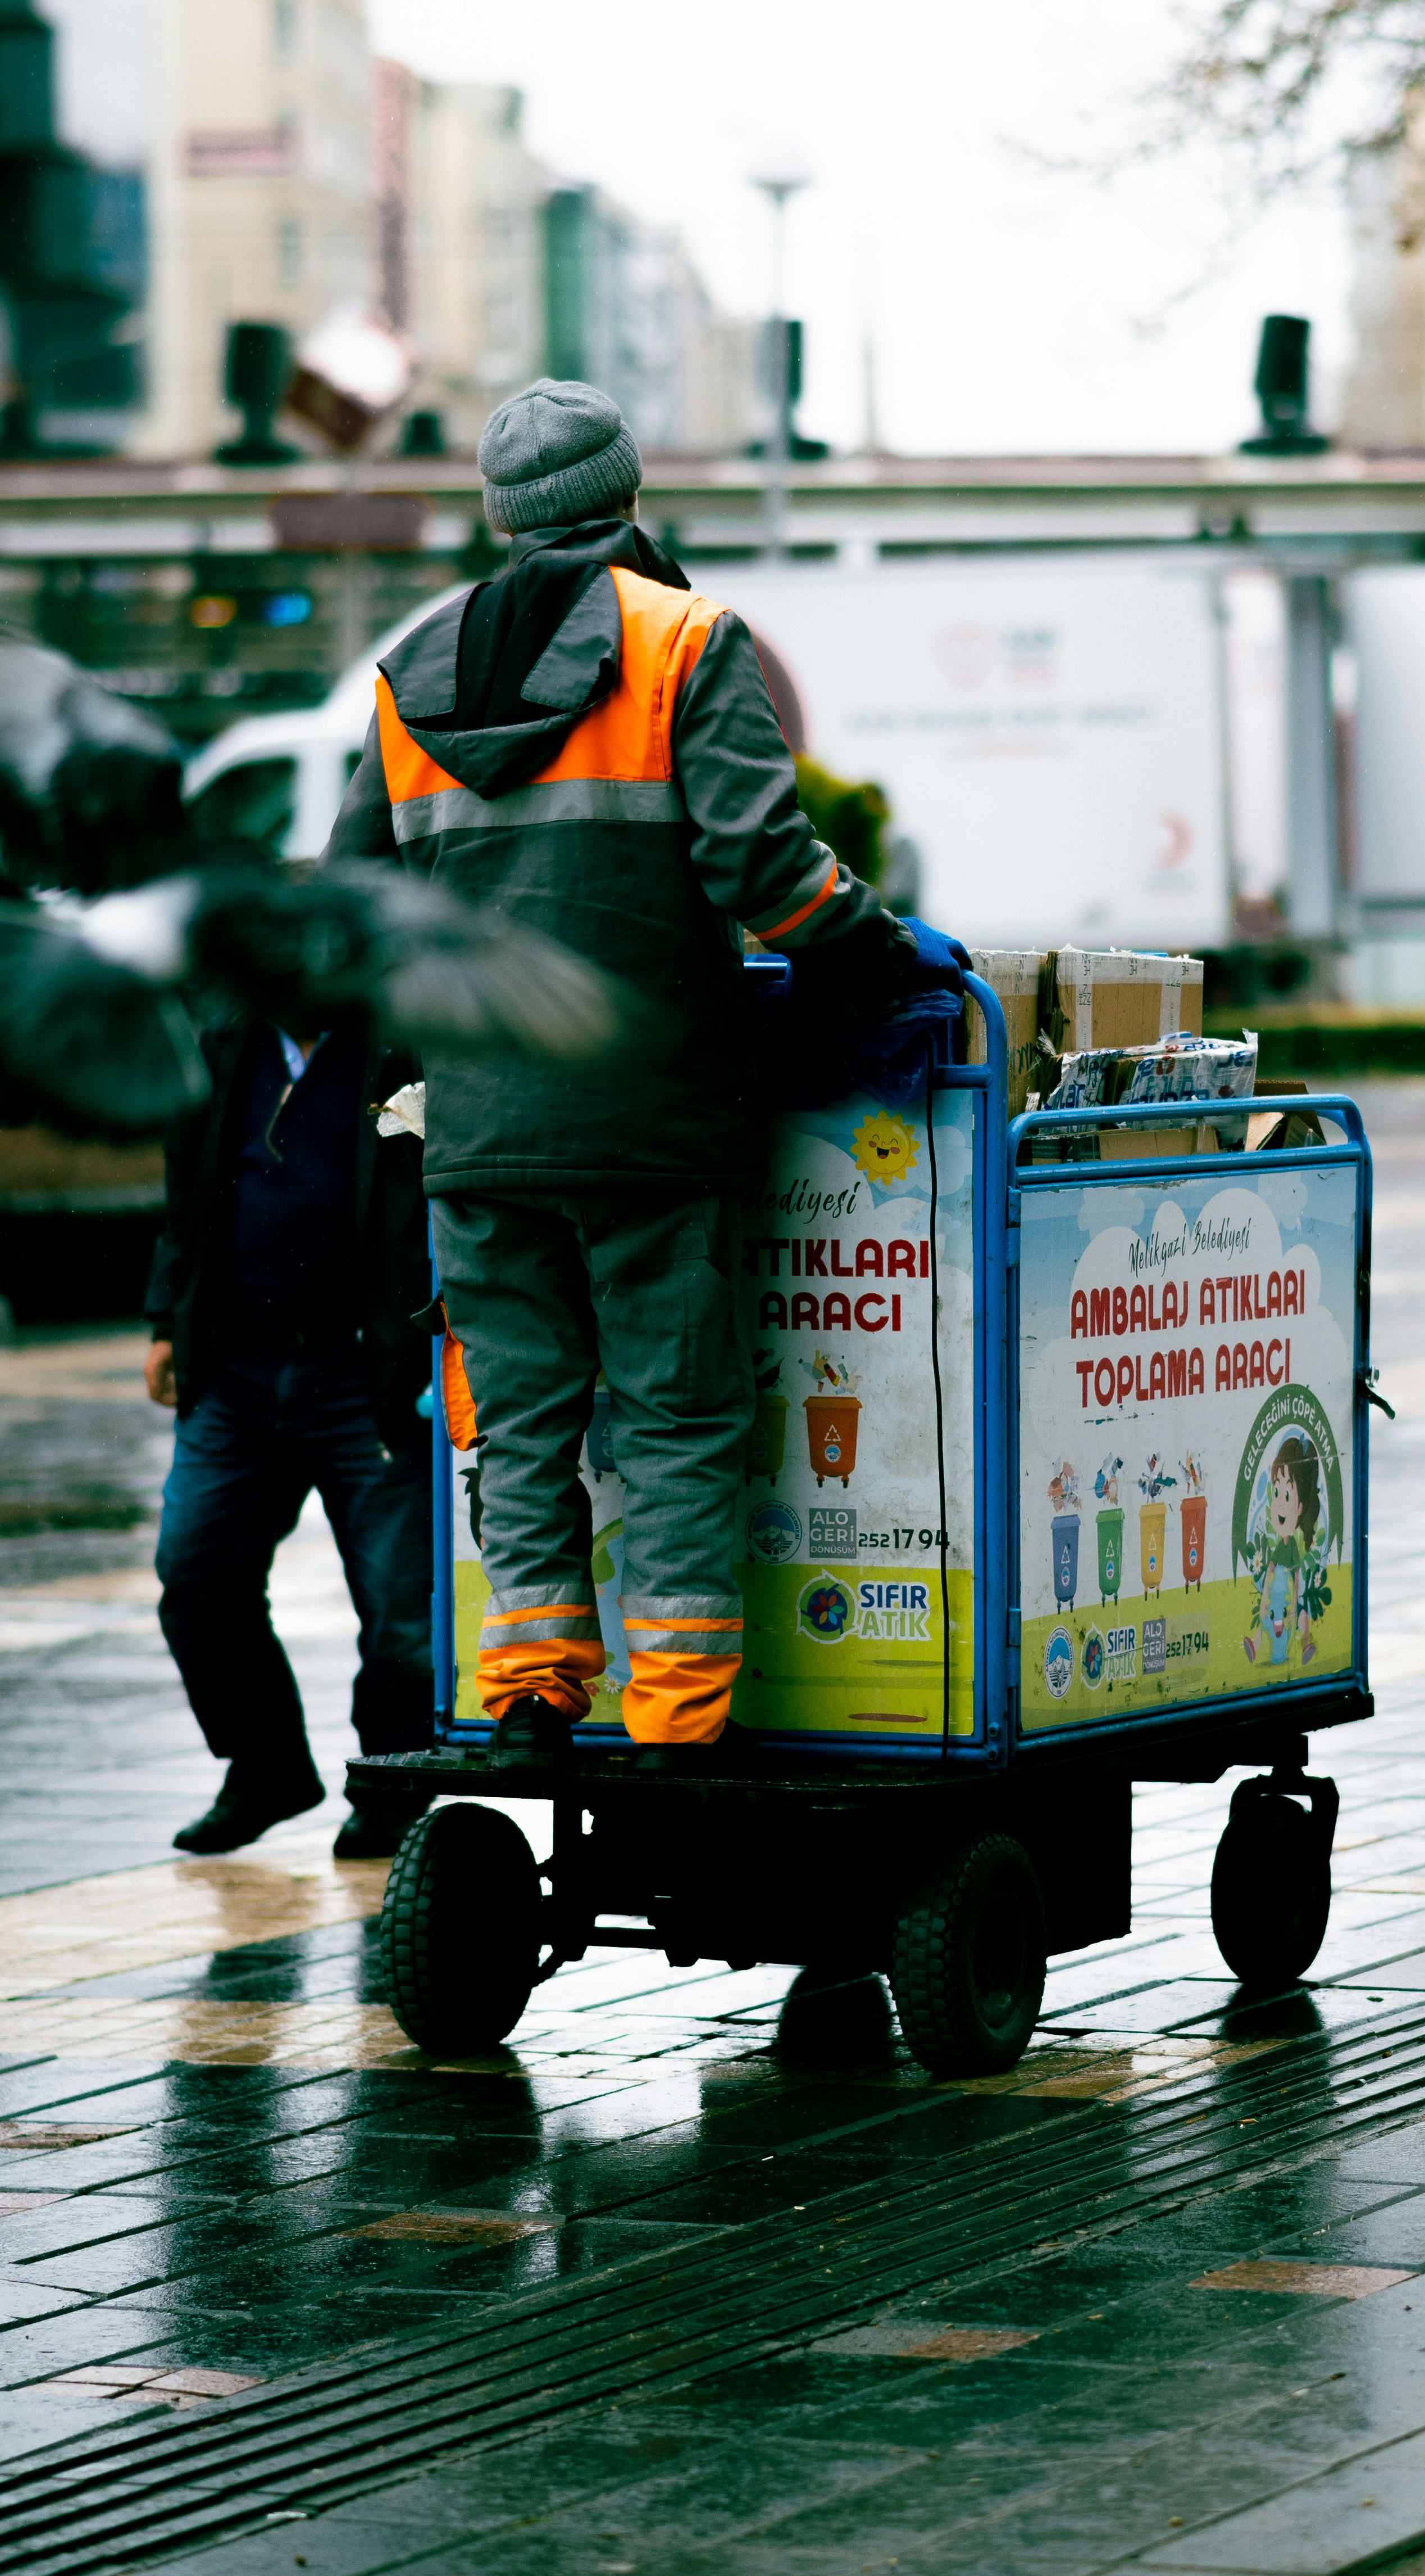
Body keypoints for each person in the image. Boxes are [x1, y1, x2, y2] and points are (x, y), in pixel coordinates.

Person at [321, 377, 925, 1763]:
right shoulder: (683, 640)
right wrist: (881, 960)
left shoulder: (410, 666)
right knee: (676, 1416)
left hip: (478, 1127)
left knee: (519, 1421)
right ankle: (676, 1716)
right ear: (629, 494)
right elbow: (762, 866)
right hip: (650, 1122)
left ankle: (532, 1684)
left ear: (501, 515)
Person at [144, 1018, 436, 1854]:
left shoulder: (399, 1043)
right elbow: (186, 1185)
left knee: (398, 1612)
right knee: (194, 1571)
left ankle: (391, 1780)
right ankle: (266, 1766)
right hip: (233, 1369)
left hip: (363, 1372)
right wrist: (168, 1319)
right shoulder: (224, 1042)